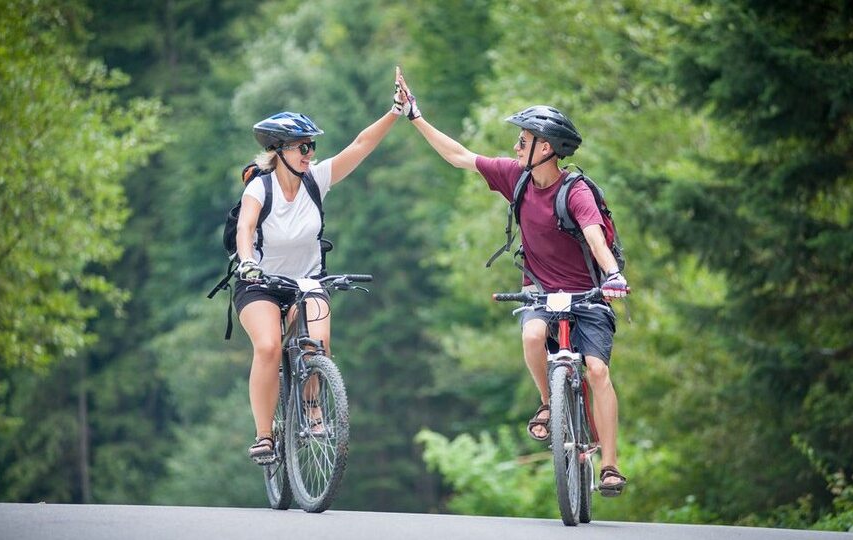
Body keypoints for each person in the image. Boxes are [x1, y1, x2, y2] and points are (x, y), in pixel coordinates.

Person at [395, 68, 630, 496]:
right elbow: (459, 156)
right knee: (532, 335)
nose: (515, 146)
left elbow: (595, 237)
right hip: (541, 290)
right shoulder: (514, 177)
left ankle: (610, 465)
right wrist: (415, 117)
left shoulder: (574, 191)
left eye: (523, 140)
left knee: (597, 370)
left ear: (547, 149)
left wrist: (613, 276)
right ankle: (548, 403)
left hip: (589, 294)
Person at [237, 74, 406, 464]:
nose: (310, 154)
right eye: (303, 147)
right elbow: (245, 228)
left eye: (312, 146)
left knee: (318, 343)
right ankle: (265, 435)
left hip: (307, 281)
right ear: (278, 150)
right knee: (267, 347)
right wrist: (247, 263)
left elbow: (361, 146)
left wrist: (395, 111)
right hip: (259, 284)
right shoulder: (260, 189)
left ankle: (312, 408)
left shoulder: (316, 180)